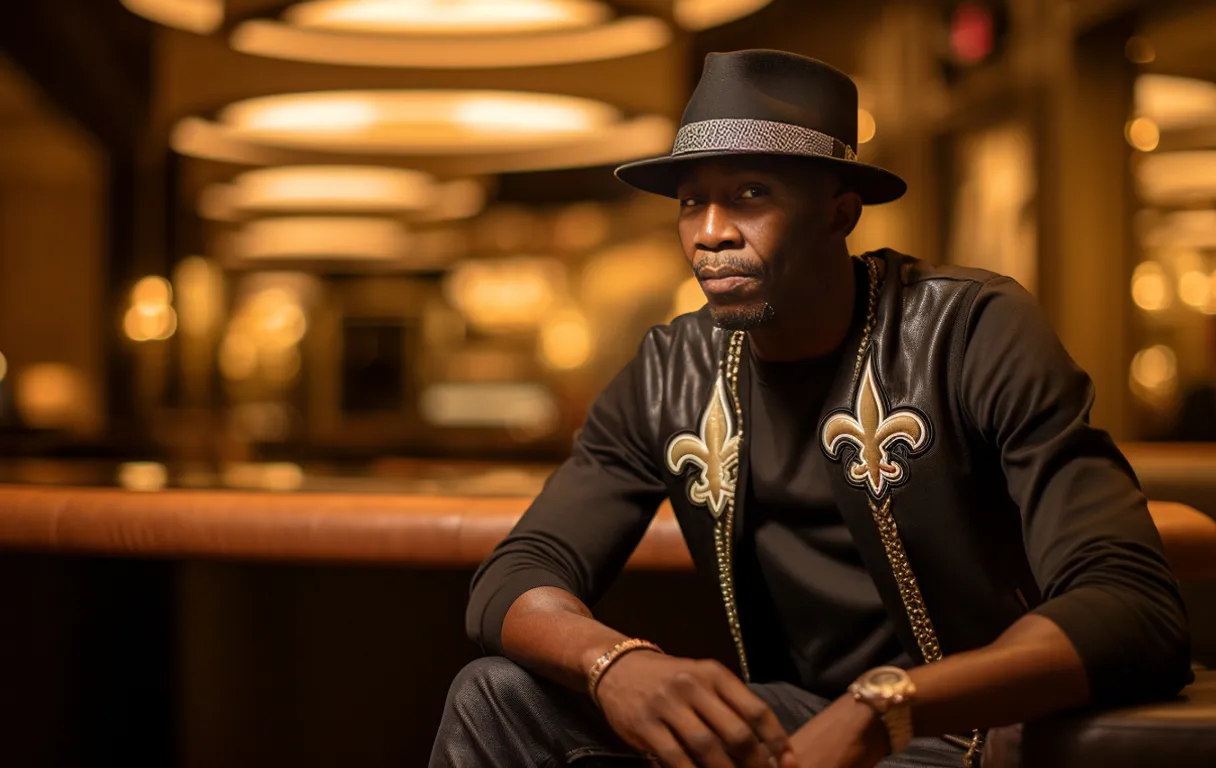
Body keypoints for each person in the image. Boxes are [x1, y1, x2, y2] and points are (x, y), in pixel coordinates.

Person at [430, 50, 1191, 768]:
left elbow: (1131, 606)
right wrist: (614, 665)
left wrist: (882, 708)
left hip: (971, 730)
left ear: (841, 212)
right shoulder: (670, 369)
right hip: (790, 727)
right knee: (494, 694)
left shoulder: (968, 331)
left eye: (750, 195)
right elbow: (517, 574)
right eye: (692, 202)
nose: (710, 233)